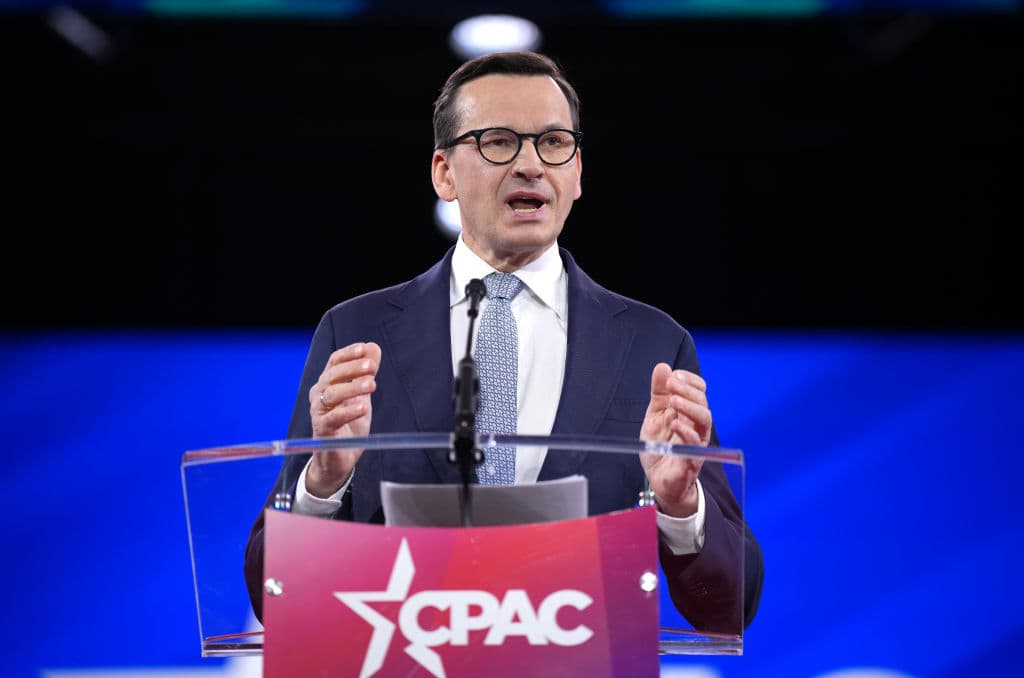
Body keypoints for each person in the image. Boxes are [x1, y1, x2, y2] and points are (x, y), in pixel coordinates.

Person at [245, 50, 762, 633]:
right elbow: (273, 591)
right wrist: (324, 480)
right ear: (444, 173)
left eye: (553, 143)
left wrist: (677, 507)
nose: (531, 165)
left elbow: (729, 601)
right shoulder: (357, 333)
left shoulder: (652, 346)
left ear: (578, 173)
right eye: (498, 142)